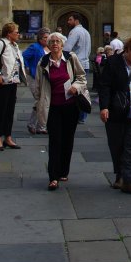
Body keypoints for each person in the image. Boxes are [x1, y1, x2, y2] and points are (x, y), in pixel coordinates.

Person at [35, 31, 88, 190]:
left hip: (71, 106)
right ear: (48, 45)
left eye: (58, 41)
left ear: (62, 44)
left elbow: (82, 78)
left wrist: (75, 87)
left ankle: (64, 170)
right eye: (52, 42)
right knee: (55, 141)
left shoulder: (71, 58)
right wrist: (40, 101)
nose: (55, 44)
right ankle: (53, 177)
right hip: (53, 107)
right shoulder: (43, 62)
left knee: (68, 139)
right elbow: (37, 85)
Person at [98, 35, 131, 193]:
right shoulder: (113, 63)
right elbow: (104, 86)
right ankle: (120, 176)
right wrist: (104, 107)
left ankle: (129, 181)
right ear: (128, 49)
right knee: (117, 146)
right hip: (116, 111)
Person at [0, 21, 26, 152]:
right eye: (16, 32)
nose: (18, 34)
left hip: (12, 82)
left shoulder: (14, 45)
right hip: (2, 82)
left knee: (9, 111)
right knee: (0, 111)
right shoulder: (1, 43)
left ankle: (8, 137)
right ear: (9, 34)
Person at [64, 14, 91, 122]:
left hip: (76, 64)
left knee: (74, 90)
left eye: (70, 19)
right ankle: (82, 116)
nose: (68, 22)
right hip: (85, 63)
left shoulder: (74, 32)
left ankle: (77, 115)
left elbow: (67, 49)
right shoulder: (86, 32)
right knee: (83, 90)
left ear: (76, 20)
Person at [23, 28, 50, 134]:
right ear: (39, 38)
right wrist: (27, 67)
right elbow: (23, 56)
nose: (47, 40)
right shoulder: (35, 47)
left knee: (41, 101)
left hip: (46, 78)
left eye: (48, 38)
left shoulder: (49, 48)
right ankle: (39, 125)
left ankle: (35, 124)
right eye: (45, 38)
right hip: (35, 77)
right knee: (40, 100)